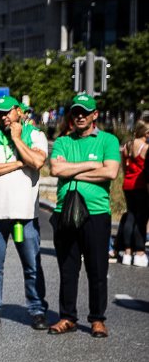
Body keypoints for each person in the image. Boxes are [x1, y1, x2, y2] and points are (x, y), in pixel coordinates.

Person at [0, 96, 50, 329]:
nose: (4, 116)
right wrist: (17, 164)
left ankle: (37, 310)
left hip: (23, 215)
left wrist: (16, 139)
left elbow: (36, 162)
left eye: (8, 112)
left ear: (17, 111)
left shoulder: (35, 136)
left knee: (32, 265)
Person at [47, 94, 121, 337]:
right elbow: (56, 169)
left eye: (85, 112)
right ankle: (67, 317)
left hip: (97, 213)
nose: (80, 116)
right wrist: (91, 166)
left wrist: (72, 171)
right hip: (64, 211)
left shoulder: (108, 140)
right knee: (68, 269)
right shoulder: (63, 141)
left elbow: (110, 172)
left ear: (94, 115)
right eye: (76, 112)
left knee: (97, 269)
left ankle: (97, 319)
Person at [117, 120, 148, 266]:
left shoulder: (126, 146)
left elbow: (123, 168)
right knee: (140, 219)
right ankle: (139, 252)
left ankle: (127, 253)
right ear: (146, 133)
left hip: (127, 184)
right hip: (140, 185)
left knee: (130, 216)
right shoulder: (145, 148)